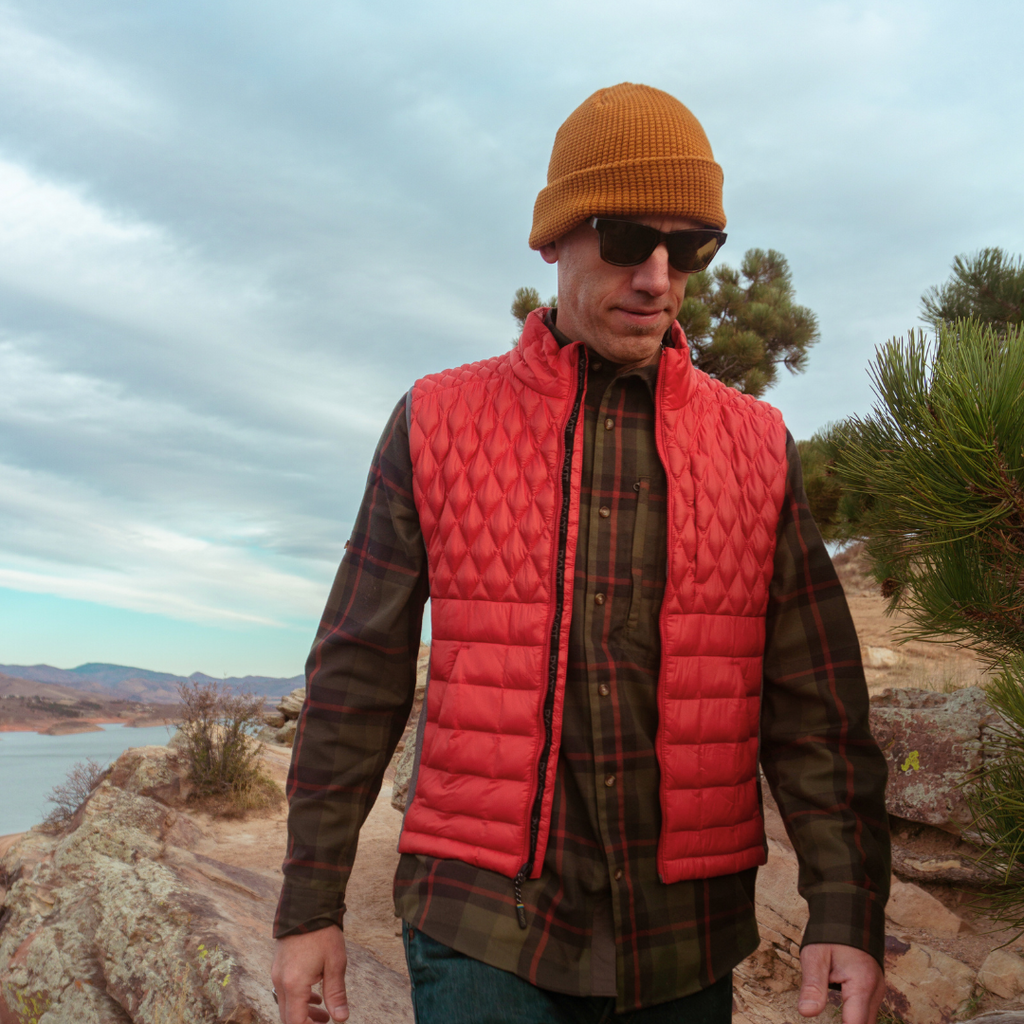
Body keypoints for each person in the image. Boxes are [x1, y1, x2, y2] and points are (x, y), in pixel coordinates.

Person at [271, 82, 890, 1024]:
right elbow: (360, 671)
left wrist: (847, 907)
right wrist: (309, 904)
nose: (655, 276)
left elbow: (815, 701)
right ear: (554, 235)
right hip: (481, 926)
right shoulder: (437, 421)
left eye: (688, 248)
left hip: (685, 937)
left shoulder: (758, 444)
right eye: (625, 237)